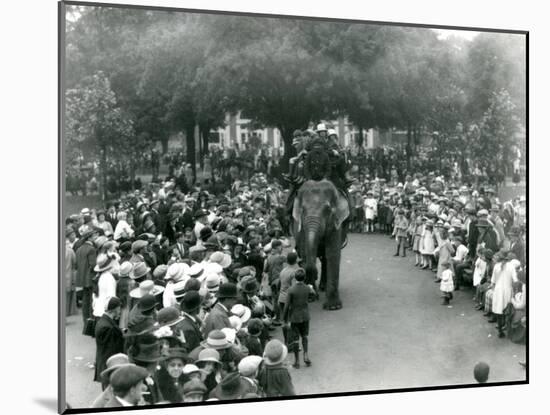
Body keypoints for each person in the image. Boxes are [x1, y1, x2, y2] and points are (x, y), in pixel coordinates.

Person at [283, 268, 311, 368]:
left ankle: (297, 361)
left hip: (294, 316)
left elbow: (286, 306)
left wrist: (284, 318)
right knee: (305, 336)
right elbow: (313, 296)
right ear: (304, 277)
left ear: (295, 277)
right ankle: (306, 355)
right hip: (305, 315)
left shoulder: (291, 290)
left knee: (295, 339)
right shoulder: (307, 288)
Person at [94, 297, 124, 389]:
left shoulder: (104, 322)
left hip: (104, 364)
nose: (120, 311)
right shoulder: (108, 328)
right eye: (119, 308)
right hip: (109, 367)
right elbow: (113, 350)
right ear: (114, 309)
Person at [75, 228, 99, 329]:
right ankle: (91, 322)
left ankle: (86, 322)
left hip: (82, 278)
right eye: (94, 235)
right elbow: (93, 265)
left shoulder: (79, 249)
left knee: (85, 300)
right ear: (89, 237)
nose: (95, 237)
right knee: (91, 301)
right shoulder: (91, 249)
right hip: (90, 278)